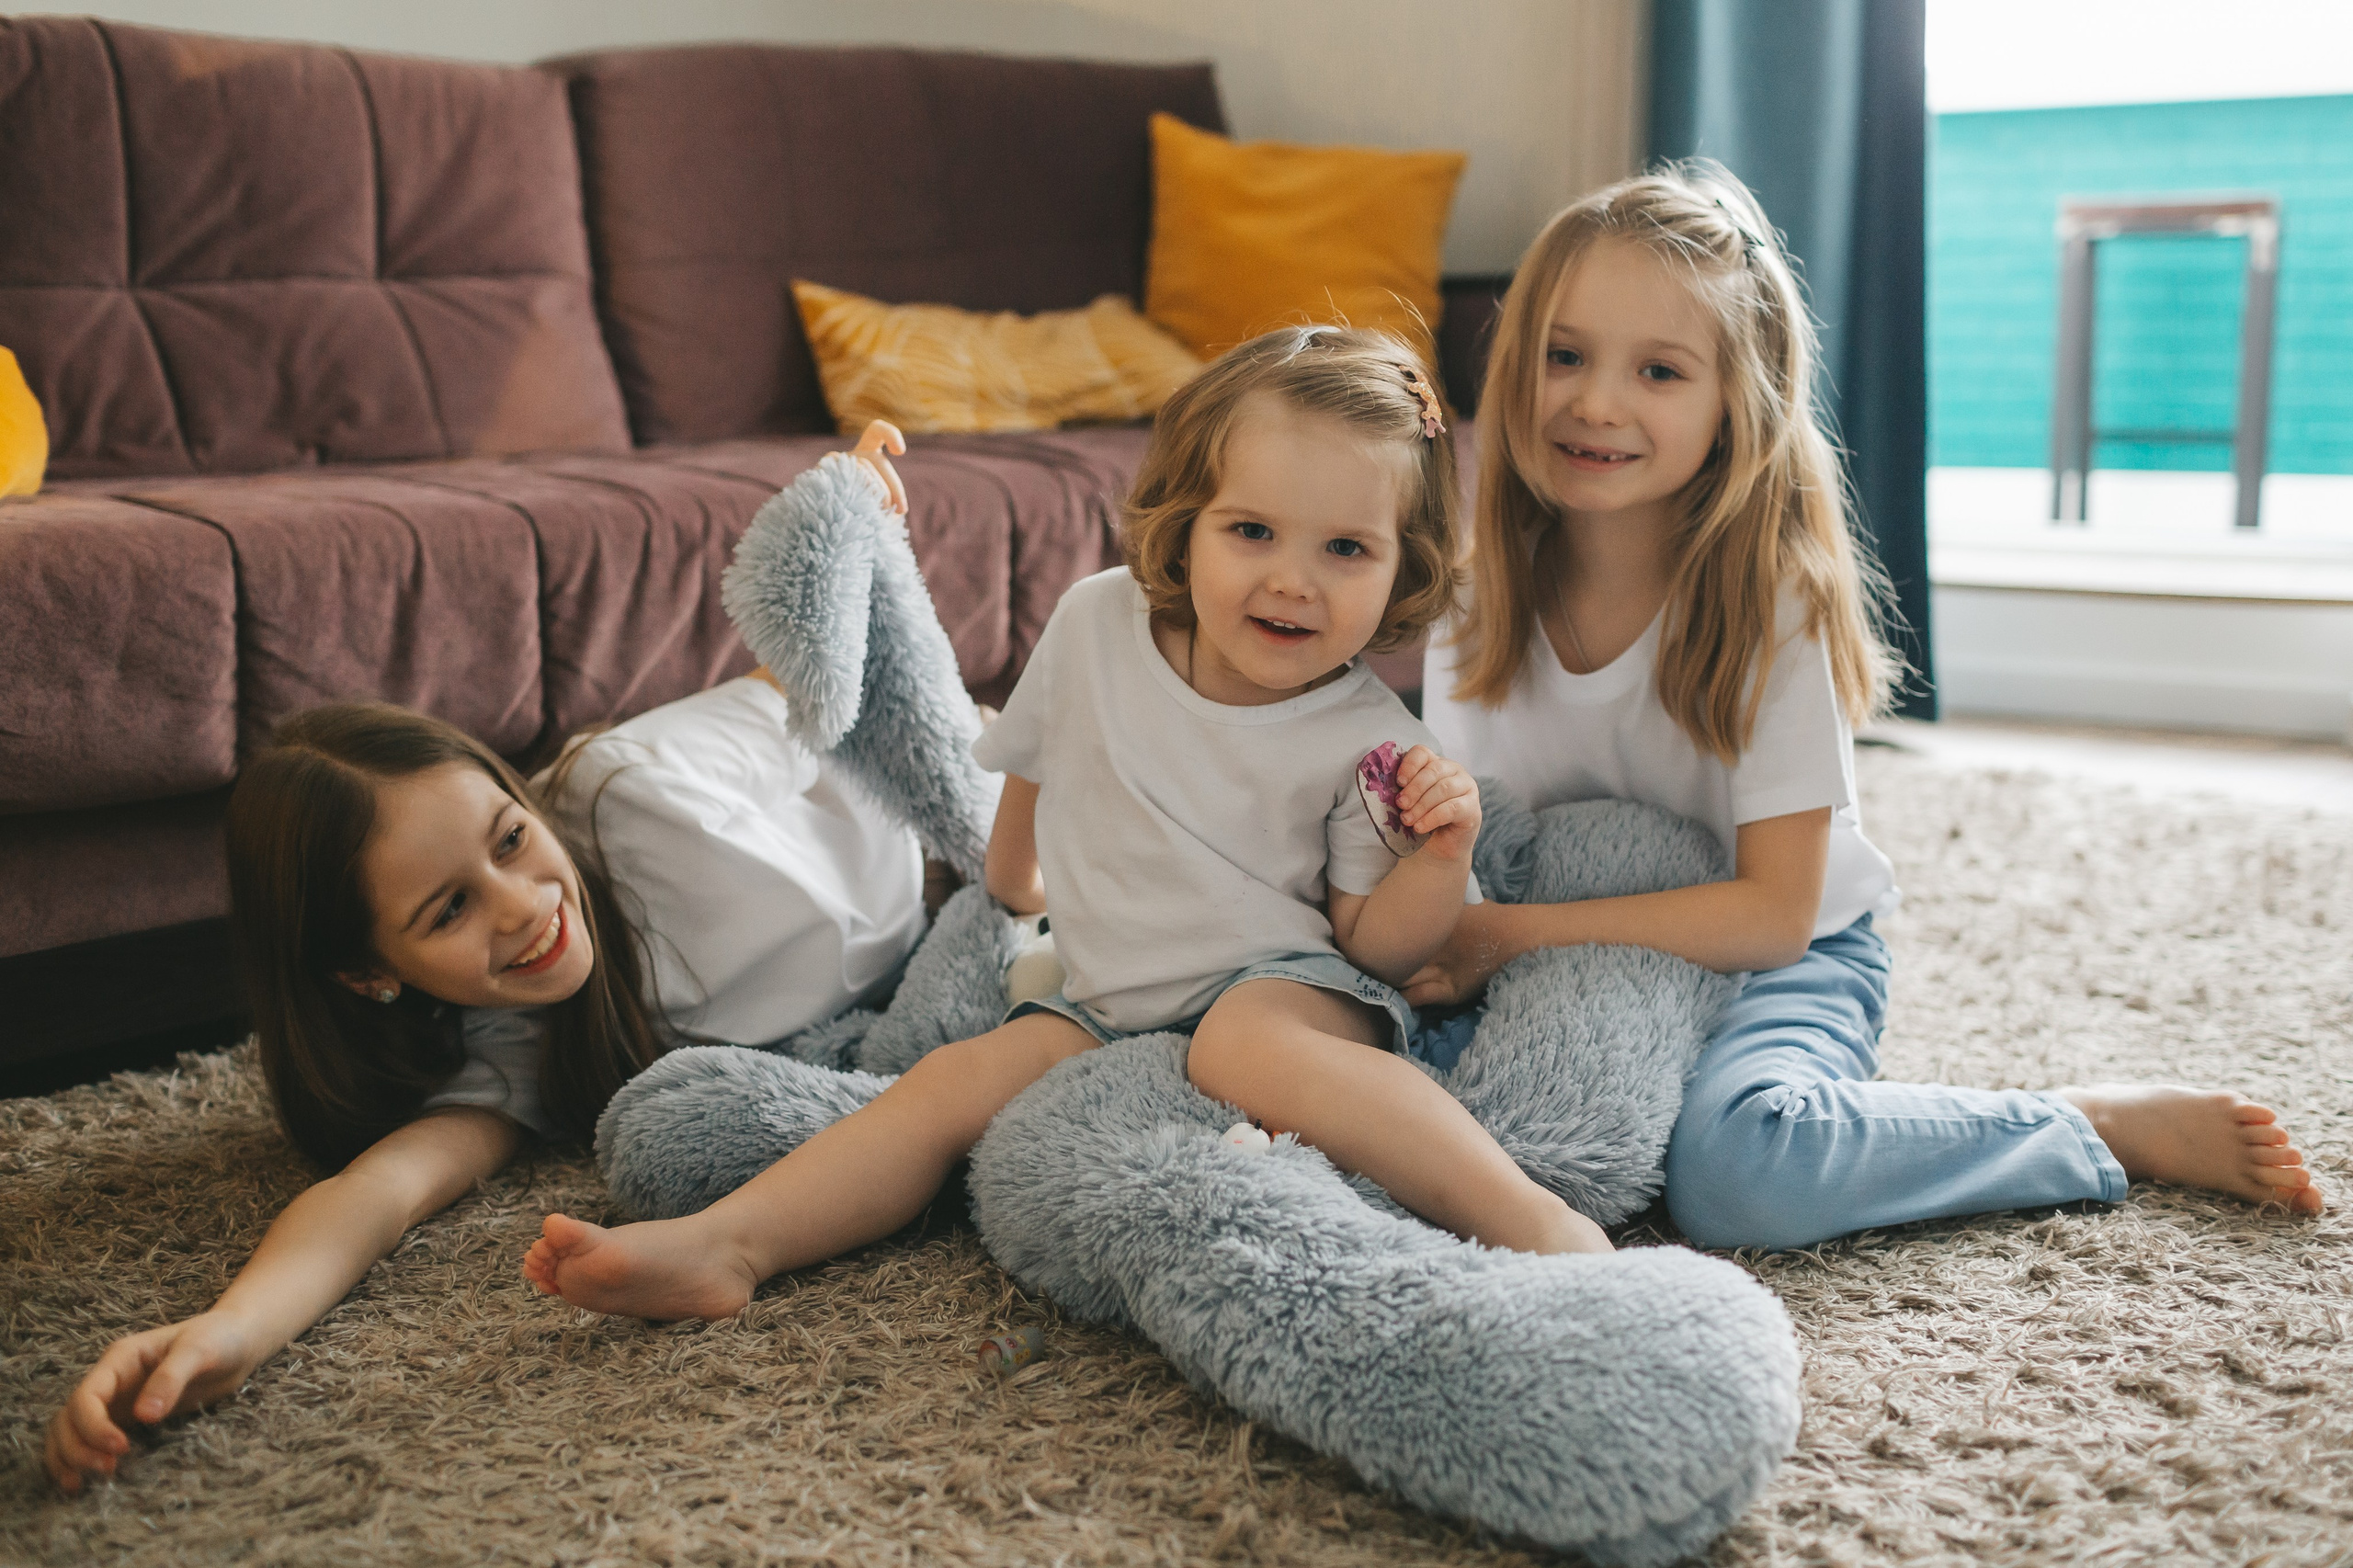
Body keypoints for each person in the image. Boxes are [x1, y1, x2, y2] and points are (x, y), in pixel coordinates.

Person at [521, 324, 1616, 1325]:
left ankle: (1535, 1222)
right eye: (1251, 530)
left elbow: (1373, 943)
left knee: (1245, 1037)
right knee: (949, 1083)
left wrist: (1443, 853)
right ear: (1184, 525)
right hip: (1104, 993)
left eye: (1347, 550)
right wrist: (1009, 898)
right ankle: (729, 1241)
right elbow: (1039, 776)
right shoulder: (1098, 618)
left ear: (1403, 570)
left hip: (1286, 983)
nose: (1293, 580)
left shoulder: (1365, 736)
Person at [1412, 162, 2325, 1252]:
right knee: (1391, 1108)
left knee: (1741, 1175)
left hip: (1777, 959)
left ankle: (2095, 1123)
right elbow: (1471, 849)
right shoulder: (1472, 599)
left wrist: (1501, 938)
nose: (1595, 402)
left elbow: (1773, 913)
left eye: (1659, 370)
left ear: (1733, 405)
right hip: (1556, 959)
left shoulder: (1769, 600)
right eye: (1564, 355)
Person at [42, 426, 933, 1494]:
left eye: (509, 839)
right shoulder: (518, 1038)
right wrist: (231, 1326)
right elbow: (378, 1191)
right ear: (369, 973)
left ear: (520, 798)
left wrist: (850, 539)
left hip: (982, 843)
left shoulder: (635, 790)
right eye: (448, 909)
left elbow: (824, 696)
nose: (524, 908)